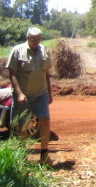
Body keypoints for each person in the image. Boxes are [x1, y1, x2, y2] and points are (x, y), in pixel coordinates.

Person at [7, 27, 53, 165]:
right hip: (24, 96)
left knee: (45, 120)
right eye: (33, 39)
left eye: (39, 39)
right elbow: (12, 73)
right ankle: (22, 157)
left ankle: (44, 155)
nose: (36, 42)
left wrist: (50, 92)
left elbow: (46, 73)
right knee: (22, 126)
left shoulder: (44, 50)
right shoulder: (17, 51)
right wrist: (19, 93)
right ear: (27, 38)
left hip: (41, 94)